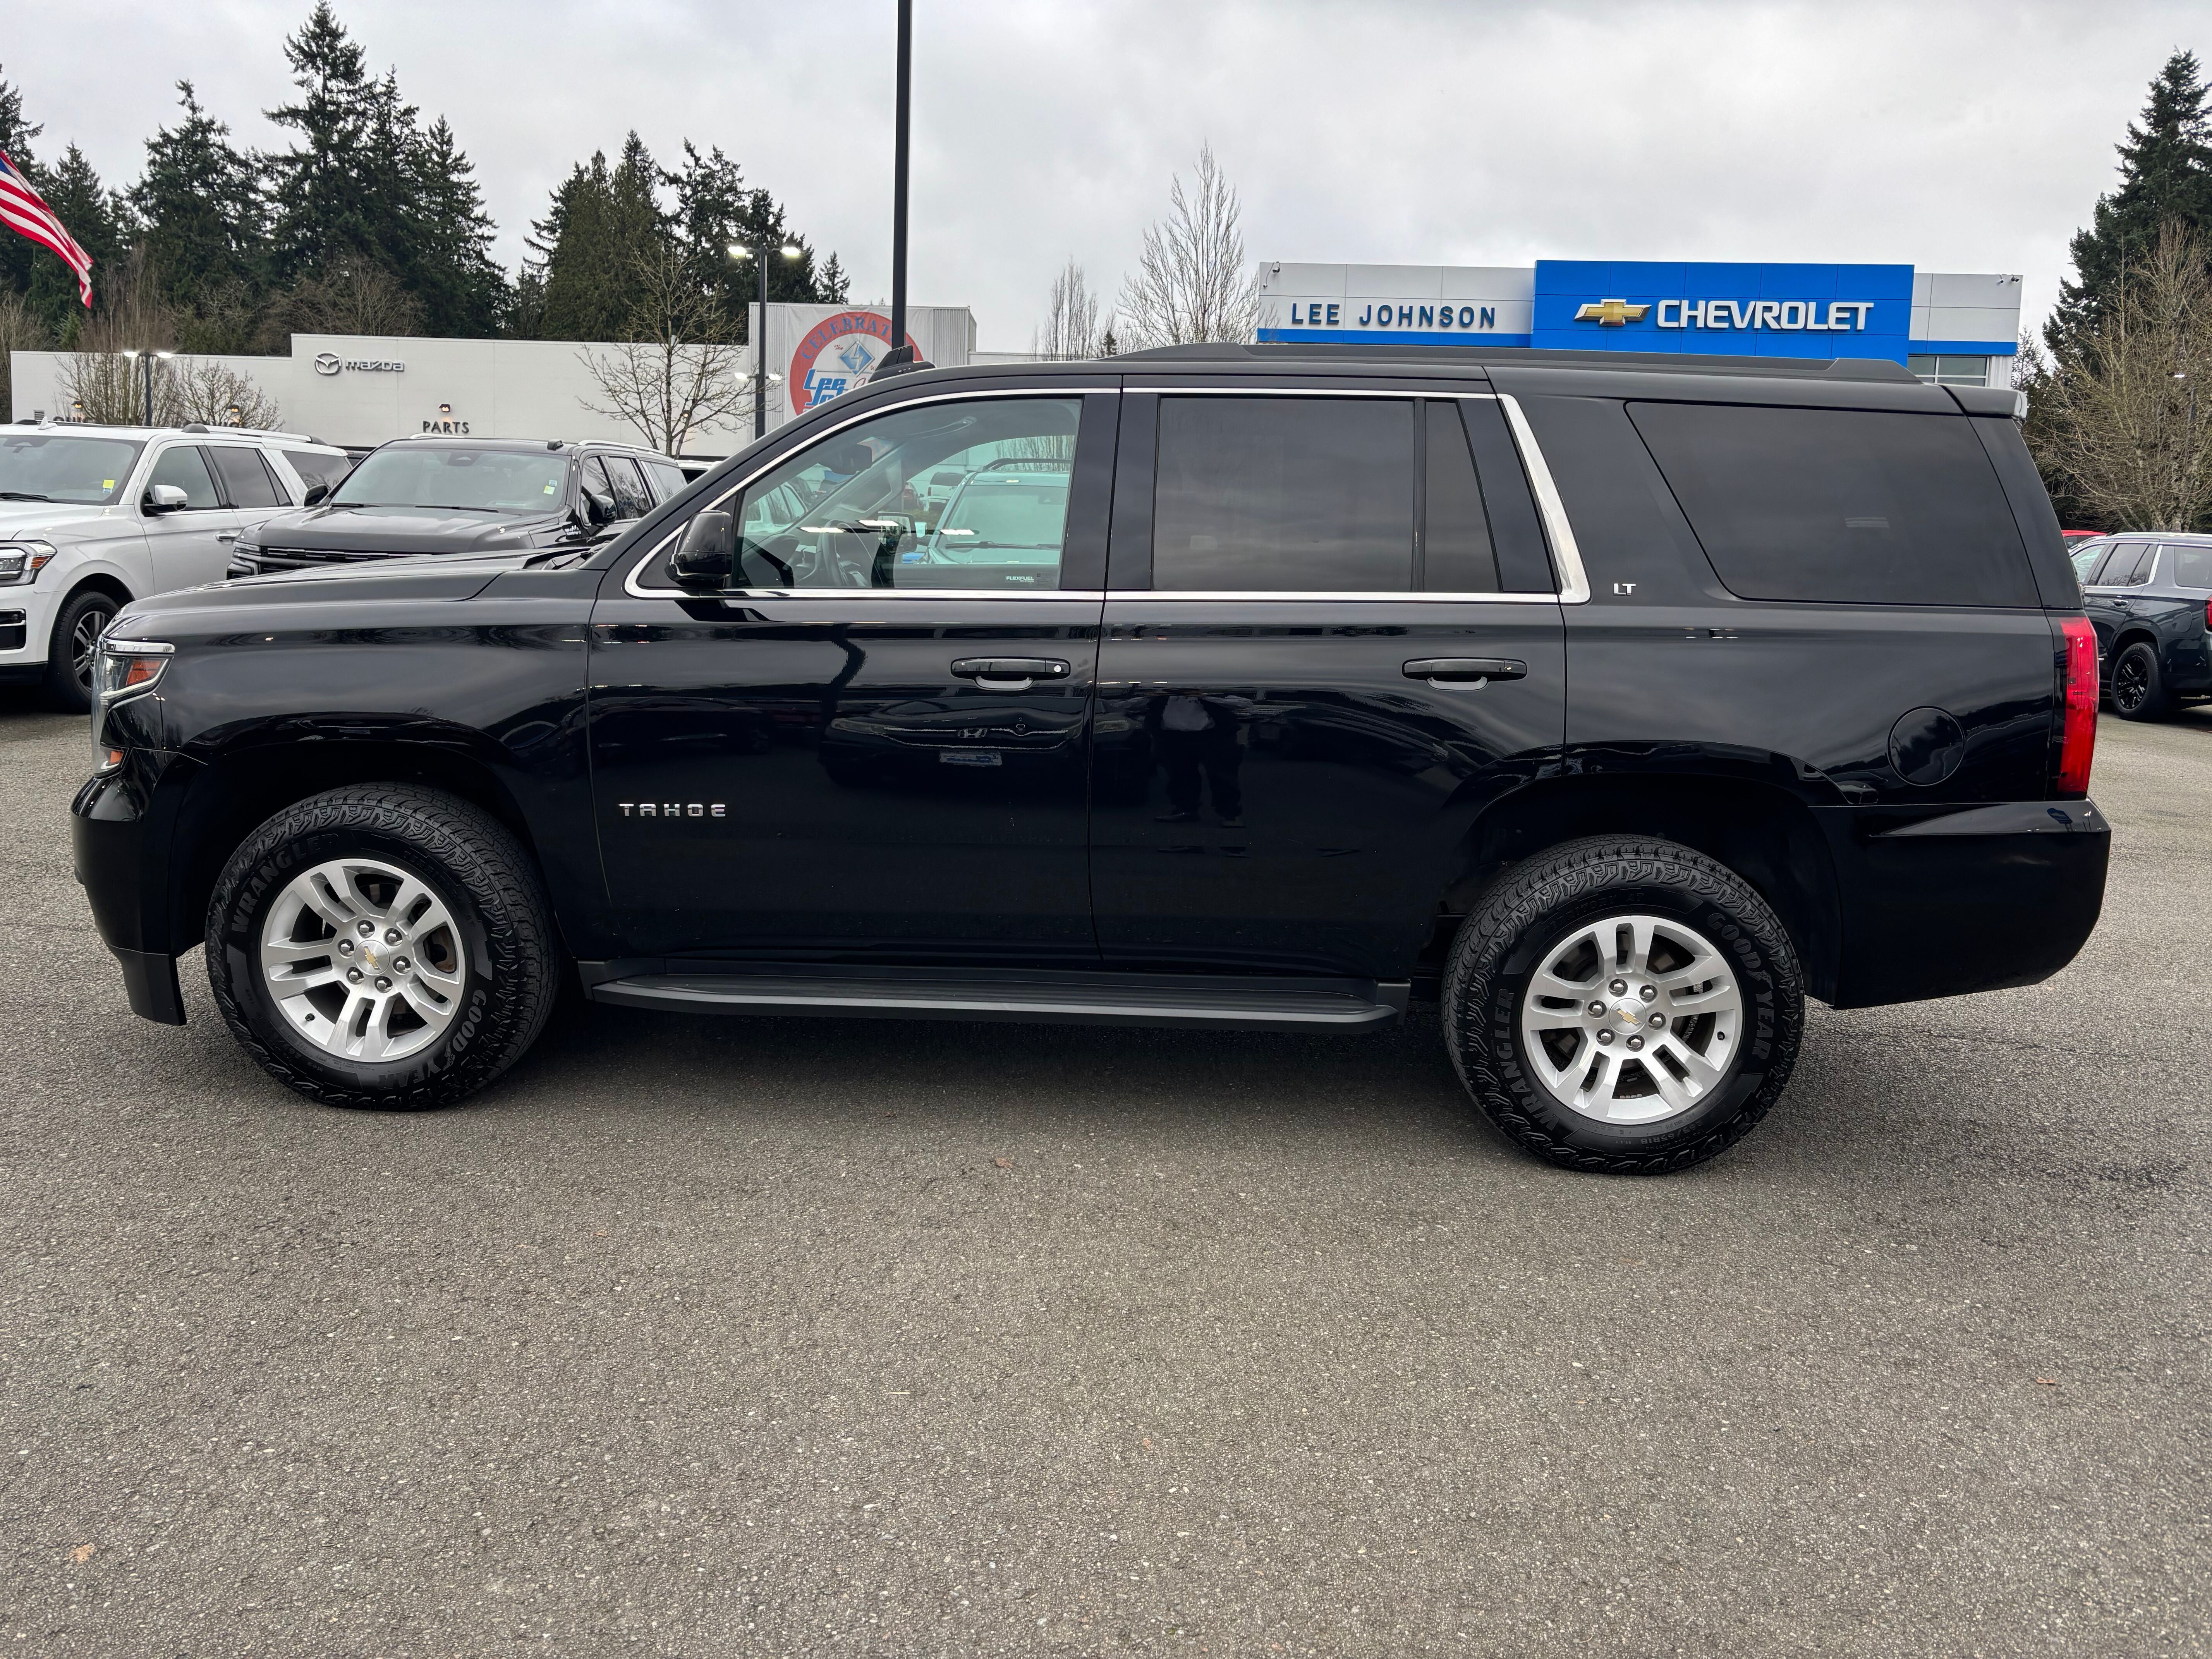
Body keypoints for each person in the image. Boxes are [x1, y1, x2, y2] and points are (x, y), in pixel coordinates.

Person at [1147, 690, 1249, 827]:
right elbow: (1124, 704)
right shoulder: (1162, 688)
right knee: (1179, 775)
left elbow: (1243, 703)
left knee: (1222, 776)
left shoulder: (1211, 685)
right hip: (1172, 737)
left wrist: (1205, 696)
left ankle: (1230, 815)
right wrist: (1154, 695)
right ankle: (1185, 810)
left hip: (1212, 736)